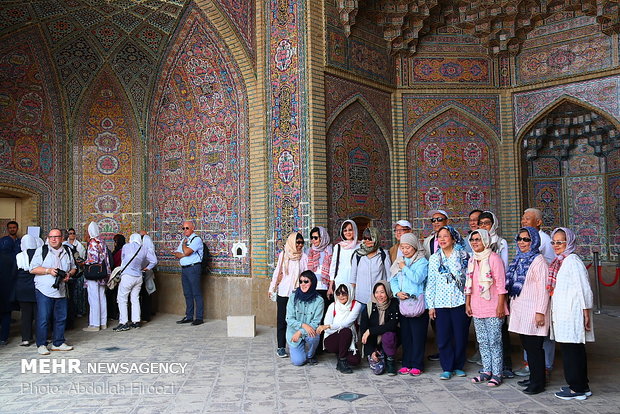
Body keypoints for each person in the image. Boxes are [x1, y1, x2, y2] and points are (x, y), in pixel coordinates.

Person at [547, 228, 594, 400]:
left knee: (573, 351)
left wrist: (586, 311)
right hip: (564, 314)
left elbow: (584, 287)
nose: (556, 245)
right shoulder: (561, 261)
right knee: (572, 350)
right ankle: (581, 385)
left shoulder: (572, 261)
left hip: (572, 314)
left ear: (570, 243)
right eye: (554, 242)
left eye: (560, 242)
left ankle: (577, 389)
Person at [506, 227, 550, 395]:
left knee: (534, 349)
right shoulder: (520, 259)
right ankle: (533, 377)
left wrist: (540, 312)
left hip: (533, 312)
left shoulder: (538, 261)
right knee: (528, 347)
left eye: (526, 239)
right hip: (522, 311)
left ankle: (538, 383)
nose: (521, 242)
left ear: (534, 242)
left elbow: (543, 289)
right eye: (519, 238)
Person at [425, 225, 470, 380]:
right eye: (440, 237)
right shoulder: (434, 259)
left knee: (460, 335)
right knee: (443, 337)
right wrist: (430, 306)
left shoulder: (463, 256)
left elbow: (469, 279)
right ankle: (447, 367)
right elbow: (431, 283)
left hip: (460, 302)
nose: (442, 239)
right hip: (441, 303)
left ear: (453, 238)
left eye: (445, 236)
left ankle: (458, 365)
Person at [516, 208, 556, 379]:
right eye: (523, 218)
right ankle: (532, 369)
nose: (524, 221)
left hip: (538, 301)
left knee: (540, 339)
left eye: (528, 218)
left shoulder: (545, 242)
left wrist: (540, 310)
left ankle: (543, 369)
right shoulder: (522, 253)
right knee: (529, 340)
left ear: (538, 222)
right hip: (526, 303)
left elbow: (545, 278)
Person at [465, 229, 508, 387]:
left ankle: (497, 373)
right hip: (477, 307)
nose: (475, 242)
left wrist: (500, 306)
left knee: (494, 341)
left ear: (485, 240)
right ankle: (486, 370)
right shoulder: (472, 260)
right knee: (482, 341)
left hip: (493, 307)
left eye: (478, 239)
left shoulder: (493, 258)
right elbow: (468, 284)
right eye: (473, 240)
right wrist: (468, 303)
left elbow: (501, 285)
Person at [30, 228, 77, 355]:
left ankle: (58, 342)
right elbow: (32, 269)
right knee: (44, 318)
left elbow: (74, 268)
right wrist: (48, 271)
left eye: (56, 237)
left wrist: (68, 274)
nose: (54, 239)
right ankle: (42, 344)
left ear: (62, 238)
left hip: (61, 289)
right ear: (48, 238)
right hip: (44, 289)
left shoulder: (67, 250)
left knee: (61, 317)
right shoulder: (42, 250)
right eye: (51, 237)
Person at [389, 232, 429, 376]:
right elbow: (392, 279)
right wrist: (397, 293)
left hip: (417, 304)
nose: (405, 251)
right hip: (404, 304)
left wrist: (404, 267)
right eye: (403, 247)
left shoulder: (422, 262)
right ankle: (407, 363)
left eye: (408, 248)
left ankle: (417, 364)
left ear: (414, 247)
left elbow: (417, 279)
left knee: (418, 336)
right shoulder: (400, 260)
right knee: (406, 336)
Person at [269, 232, 308, 358]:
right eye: (297, 242)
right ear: (292, 242)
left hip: (297, 294)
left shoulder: (304, 257)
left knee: (297, 321)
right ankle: (281, 346)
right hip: (284, 293)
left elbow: (307, 274)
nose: (300, 245)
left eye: (302, 242)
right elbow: (277, 272)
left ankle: (296, 345)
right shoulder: (284, 255)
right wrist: (272, 287)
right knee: (282, 320)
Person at [113, 233, 157, 332]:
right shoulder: (144, 248)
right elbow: (154, 261)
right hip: (139, 276)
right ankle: (136, 321)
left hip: (128, 276)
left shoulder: (126, 246)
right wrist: (146, 268)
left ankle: (123, 322)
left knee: (122, 299)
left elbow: (123, 260)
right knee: (135, 298)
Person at [317, 282, 362, 373]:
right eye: (338, 293)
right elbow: (327, 329)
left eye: (344, 293)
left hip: (348, 339)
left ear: (350, 293)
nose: (341, 296)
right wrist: (336, 331)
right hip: (332, 339)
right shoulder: (332, 306)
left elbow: (347, 323)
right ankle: (342, 361)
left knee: (355, 361)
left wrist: (331, 326)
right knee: (345, 331)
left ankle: (341, 354)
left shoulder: (356, 305)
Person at [360, 280, 400, 375]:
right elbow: (363, 331)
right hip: (373, 343)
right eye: (376, 292)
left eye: (382, 292)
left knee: (388, 335)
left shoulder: (394, 304)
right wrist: (371, 351)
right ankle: (378, 354)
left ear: (387, 292)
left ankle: (390, 361)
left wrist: (370, 331)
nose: (379, 295)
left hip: (389, 340)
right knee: (378, 370)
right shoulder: (369, 306)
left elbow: (392, 325)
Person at [285, 270, 324, 366]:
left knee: (314, 337)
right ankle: (299, 349)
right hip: (293, 333)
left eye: (306, 281)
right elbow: (289, 319)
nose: (303, 284)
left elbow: (316, 322)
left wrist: (301, 331)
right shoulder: (293, 297)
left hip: (307, 332)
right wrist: (303, 325)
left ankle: (311, 355)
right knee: (298, 362)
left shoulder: (319, 300)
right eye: (301, 281)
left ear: (313, 282)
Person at [350, 227, 391, 309]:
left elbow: (389, 277)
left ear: (376, 239)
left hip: (379, 299)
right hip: (361, 299)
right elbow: (353, 279)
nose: (367, 241)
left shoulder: (383, 254)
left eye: (370, 239)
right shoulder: (358, 255)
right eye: (365, 238)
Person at [174, 221, 204, 326]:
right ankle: (189, 316)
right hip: (185, 269)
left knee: (196, 293)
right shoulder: (184, 240)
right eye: (183, 228)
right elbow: (176, 254)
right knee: (187, 293)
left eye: (187, 228)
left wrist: (184, 249)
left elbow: (187, 252)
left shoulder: (197, 239)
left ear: (192, 228)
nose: (185, 230)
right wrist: (183, 253)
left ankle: (199, 317)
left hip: (193, 268)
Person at [83, 222, 111, 332]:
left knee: (93, 298)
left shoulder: (92, 243)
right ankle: (103, 322)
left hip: (93, 274)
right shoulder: (102, 242)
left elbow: (93, 260)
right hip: (102, 273)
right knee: (102, 297)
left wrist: (84, 263)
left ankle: (95, 324)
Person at [328, 219, 361, 298]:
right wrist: (331, 286)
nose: (347, 232)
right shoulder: (338, 247)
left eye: (350, 230)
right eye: (345, 230)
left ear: (355, 230)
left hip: (357, 281)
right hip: (341, 280)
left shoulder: (360, 246)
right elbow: (333, 267)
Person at [15, 235, 38, 346]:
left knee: (25, 315)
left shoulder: (19, 256)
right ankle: (41, 337)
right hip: (37, 287)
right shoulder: (39, 254)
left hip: (23, 288)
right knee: (39, 314)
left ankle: (26, 338)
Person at [0, 221, 20, 345]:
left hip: (10, 282)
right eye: (10, 228)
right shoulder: (4, 241)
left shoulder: (19, 241)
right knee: (6, 311)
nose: (12, 229)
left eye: (14, 227)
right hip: (8, 283)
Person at [306, 226, 333, 309]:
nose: (313, 240)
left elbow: (333, 270)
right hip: (312, 289)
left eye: (316, 238)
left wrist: (331, 288)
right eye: (312, 238)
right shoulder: (309, 251)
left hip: (325, 288)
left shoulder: (330, 251)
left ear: (322, 237)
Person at [64, 228, 87, 320]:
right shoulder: (66, 245)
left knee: (79, 293)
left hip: (78, 273)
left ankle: (80, 311)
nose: (72, 235)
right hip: (70, 272)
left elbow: (81, 259)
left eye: (73, 233)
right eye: (70, 233)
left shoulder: (79, 246)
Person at [107, 234, 126, 321]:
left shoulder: (119, 252)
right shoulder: (125, 250)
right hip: (123, 275)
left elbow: (113, 263)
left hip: (117, 276)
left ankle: (113, 314)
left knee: (113, 295)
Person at [140, 233, 158, 322]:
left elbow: (153, 262)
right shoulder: (150, 250)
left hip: (144, 274)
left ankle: (145, 315)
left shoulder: (145, 251)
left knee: (145, 295)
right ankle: (146, 314)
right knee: (147, 295)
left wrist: (146, 268)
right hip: (147, 274)